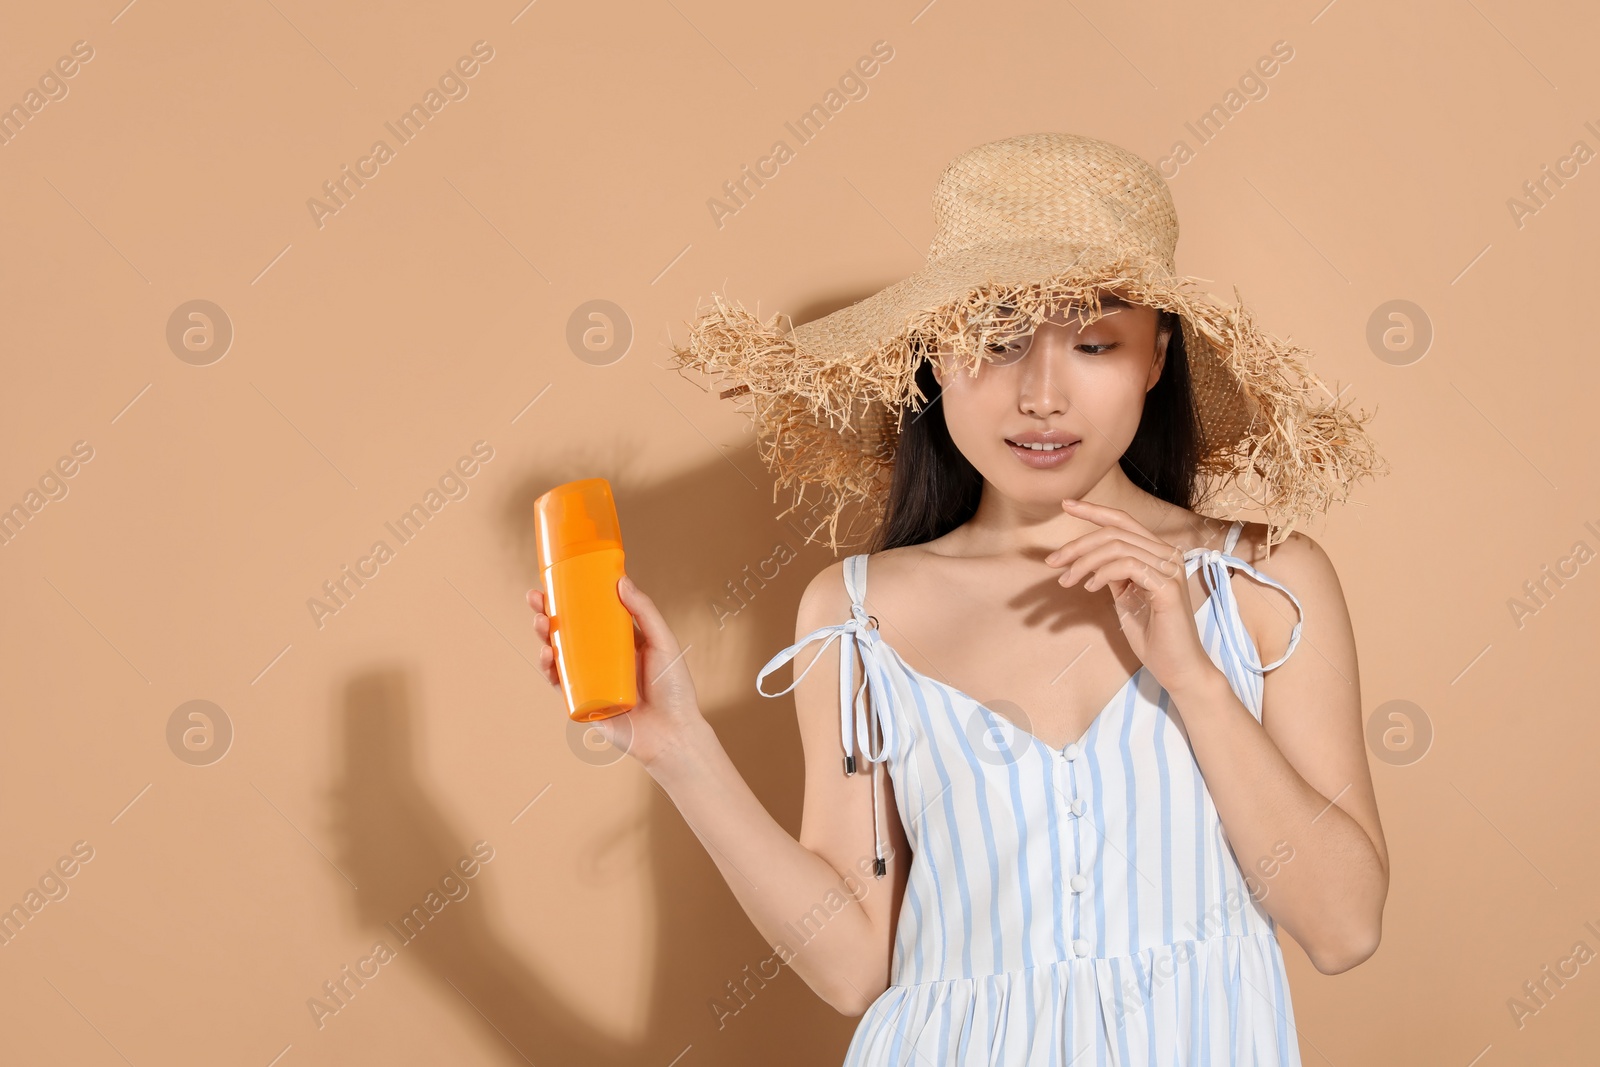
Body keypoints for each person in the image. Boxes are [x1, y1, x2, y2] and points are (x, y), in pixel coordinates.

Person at [528, 132, 1391, 1064]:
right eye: (997, 341)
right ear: (936, 357)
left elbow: (1343, 928)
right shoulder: (854, 613)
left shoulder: (1264, 585)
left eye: (1096, 342)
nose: (1043, 395)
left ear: (1155, 357)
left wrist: (1193, 677)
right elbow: (856, 965)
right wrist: (677, 747)